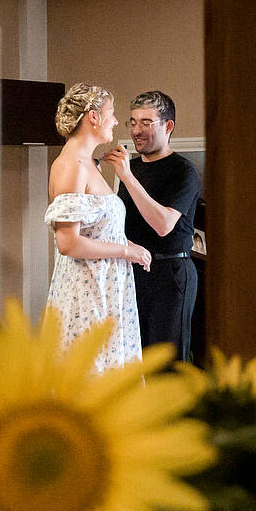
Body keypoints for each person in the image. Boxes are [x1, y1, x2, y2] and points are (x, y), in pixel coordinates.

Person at [43, 84, 151, 371]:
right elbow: (68, 243)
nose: (116, 121)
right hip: (86, 290)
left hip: (105, 286)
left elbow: (101, 230)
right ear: (93, 117)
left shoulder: (89, 165)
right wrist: (126, 251)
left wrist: (129, 246)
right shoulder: (72, 166)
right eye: (111, 114)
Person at [105, 90, 202, 362]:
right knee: (133, 360)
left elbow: (163, 225)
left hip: (170, 276)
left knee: (165, 364)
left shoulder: (183, 171)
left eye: (146, 123)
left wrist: (127, 177)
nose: (136, 131)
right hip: (131, 273)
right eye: (132, 122)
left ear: (168, 126)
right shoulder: (131, 167)